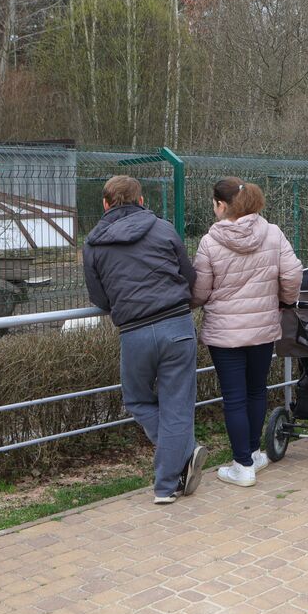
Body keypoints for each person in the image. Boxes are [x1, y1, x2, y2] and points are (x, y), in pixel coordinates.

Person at [83, 175, 207, 505]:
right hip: (177, 326)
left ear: (106, 204)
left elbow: (99, 297)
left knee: (136, 400)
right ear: (141, 201)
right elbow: (190, 276)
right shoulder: (163, 228)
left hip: (134, 332)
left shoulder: (93, 244)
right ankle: (169, 479)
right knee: (177, 406)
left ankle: (175, 467)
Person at [192, 178, 303, 488]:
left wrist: (200, 301)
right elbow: (293, 272)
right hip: (264, 328)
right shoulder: (273, 233)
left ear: (221, 205)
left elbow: (200, 291)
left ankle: (242, 466)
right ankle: (253, 455)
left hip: (225, 333)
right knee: (256, 390)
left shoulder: (209, 242)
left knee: (234, 398)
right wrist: (284, 300)